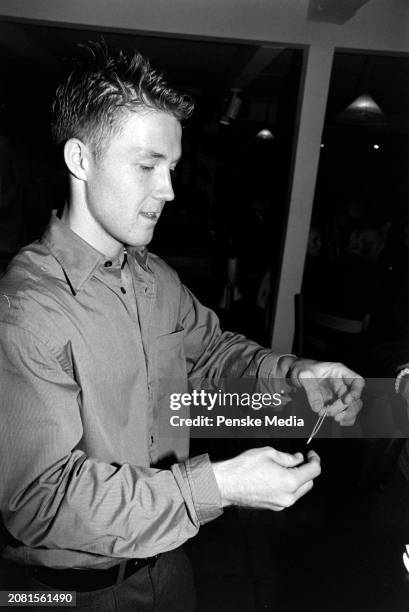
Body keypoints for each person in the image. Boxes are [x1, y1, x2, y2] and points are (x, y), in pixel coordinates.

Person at [0, 43, 364, 611]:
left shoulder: (156, 278)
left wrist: (298, 374)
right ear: (81, 159)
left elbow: (214, 352)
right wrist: (220, 485)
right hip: (67, 594)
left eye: (170, 167)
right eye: (147, 165)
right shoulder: (25, 311)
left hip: (171, 569)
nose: (169, 189)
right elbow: (39, 501)